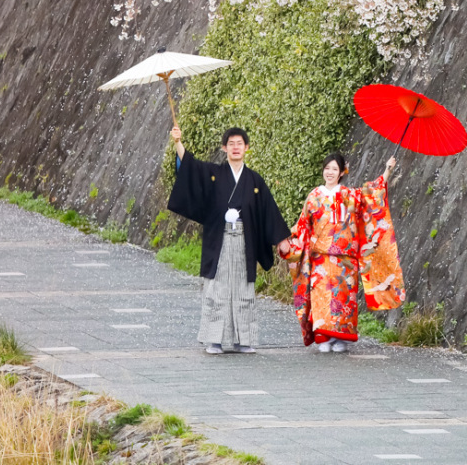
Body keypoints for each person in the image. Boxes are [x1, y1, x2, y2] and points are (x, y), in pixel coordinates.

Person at [168, 124, 291, 354]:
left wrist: (281, 239)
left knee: (243, 290)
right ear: (224, 148)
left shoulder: (254, 181)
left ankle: (243, 340)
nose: (236, 148)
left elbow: (268, 211)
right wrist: (178, 142)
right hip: (221, 239)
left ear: (246, 148)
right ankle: (214, 339)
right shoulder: (214, 174)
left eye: (240, 144)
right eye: (231, 144)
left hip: (245, 241)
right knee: (217, 289)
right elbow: (191, 168)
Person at [279, 151, 405, 352]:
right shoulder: (314, 196)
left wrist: (387, 170)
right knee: (322, 297)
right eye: (327, 168)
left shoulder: (349, 195)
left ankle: (341, 338)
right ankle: (324, 337)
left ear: (341, 173)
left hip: (345, 259)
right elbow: (303, 224)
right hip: (320, 258)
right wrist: (286, 240)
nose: (330, 172)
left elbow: (371, 195)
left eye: (334, 169)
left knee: (343, 297)